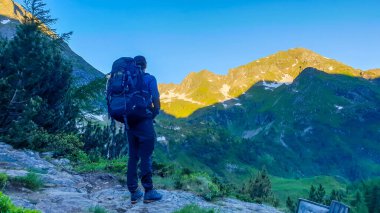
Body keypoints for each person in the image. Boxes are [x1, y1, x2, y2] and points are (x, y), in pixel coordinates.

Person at [127, 55, 162, 204]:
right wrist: (154, 112)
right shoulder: (150, 78)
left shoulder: (126, 79)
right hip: (144, 121)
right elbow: (155, 98)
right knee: (146, 155)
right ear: (145, 65)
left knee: (132, 156)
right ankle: (148, 191)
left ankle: (134, 192)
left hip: (129, 121)